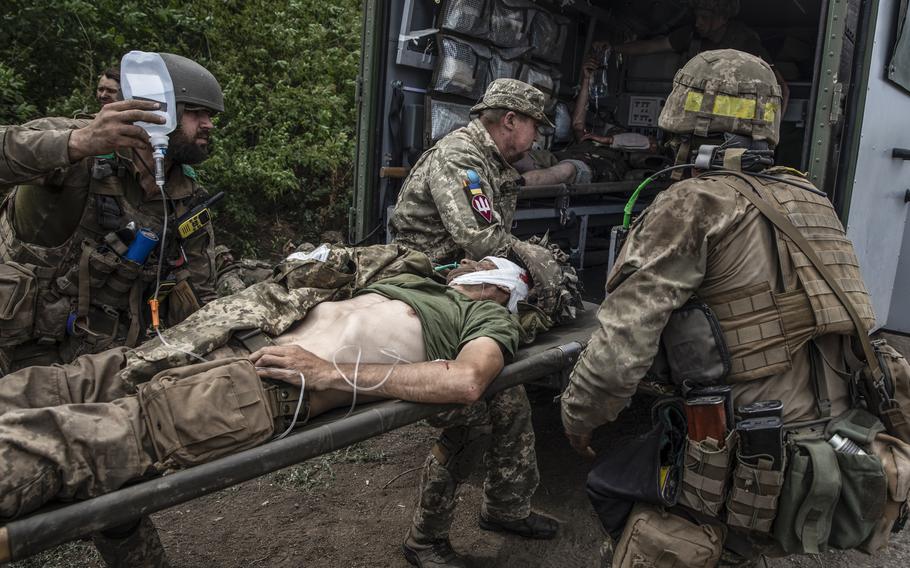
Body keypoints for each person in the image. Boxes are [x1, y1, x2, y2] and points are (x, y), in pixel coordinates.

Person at [559, 49, 907, 565]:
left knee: (610, 485)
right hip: (841, 436)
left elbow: (619, 348)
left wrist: (579, 417)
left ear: (684, 125)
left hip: (745, 454)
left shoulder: (692, 202)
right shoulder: (811, 197)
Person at [0, 256, 526, 521]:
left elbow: (467, 381)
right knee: (54, 385)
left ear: (502, 285)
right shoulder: (415, 279)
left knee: (65, 442)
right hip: (218, 342)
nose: (467, 261)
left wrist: (327, 373)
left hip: (257, 387)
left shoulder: (486, 316)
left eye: (483, 263)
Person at [390, 79, 563, 568]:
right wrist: (533, 256)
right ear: (510, 120)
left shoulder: (490, 161)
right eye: (533, 125)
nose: (535, 137)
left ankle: (505, 508)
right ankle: (425, 541)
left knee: (510, 402)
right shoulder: (462, 156)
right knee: (468, 418)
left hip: (463, 292)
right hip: (429, 298)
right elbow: (478, 235)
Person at [0, 52, 225, 374]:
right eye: (196, 113)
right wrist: (78, 142)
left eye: (210, 115)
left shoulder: (184, 195)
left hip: (97, 365)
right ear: (156, 110)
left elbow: (200, 292)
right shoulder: (81, 145)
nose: (209, 124)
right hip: (12, 349)